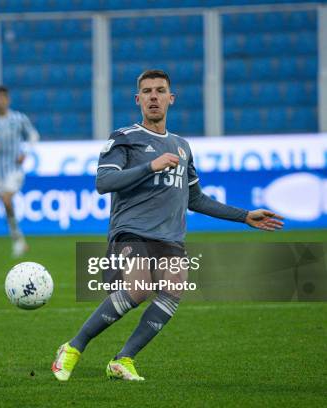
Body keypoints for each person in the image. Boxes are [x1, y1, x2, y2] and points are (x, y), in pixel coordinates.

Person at [51, 69, 284, 382]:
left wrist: (244, 216)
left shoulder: (182, 146)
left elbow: (196, 199)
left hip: (170, 237)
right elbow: (103, 182)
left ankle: (123, 360)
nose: (153, 97)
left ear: (171, 99)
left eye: (160, 91)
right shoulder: (124, 138)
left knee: (173, 289)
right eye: (146, 92)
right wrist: (150, 166)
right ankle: (73, 347)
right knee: (138, 288)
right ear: (138, 100)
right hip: (130, 231)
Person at [0, 85, 39, 258]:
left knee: (6, 199)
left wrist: (25, 153)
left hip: (15, 170)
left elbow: (34, 135)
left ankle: (18, 240)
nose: (1, 101)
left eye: (4, 98)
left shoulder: (19, 118)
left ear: (8, 100)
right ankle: (18, 239)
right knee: (6, 205)